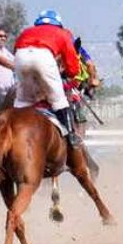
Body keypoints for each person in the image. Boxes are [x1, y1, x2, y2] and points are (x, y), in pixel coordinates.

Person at [13, 10, 84, 145]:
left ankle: (13, 129)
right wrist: (72, 74)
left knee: (22, 101)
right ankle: (70, 137)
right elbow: (71, 59)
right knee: (59, 101)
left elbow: (15, 49)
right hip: (44, 57)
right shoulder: (63, 33)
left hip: (20, 56)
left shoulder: (26, 31)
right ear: (58, 23)